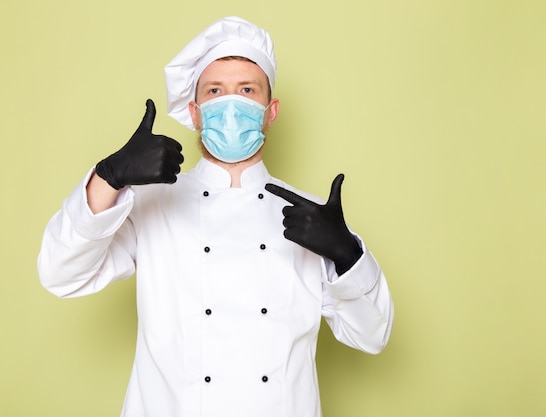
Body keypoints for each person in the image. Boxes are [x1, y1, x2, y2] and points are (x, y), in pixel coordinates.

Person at [38, 16, 394, 417]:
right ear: (195, 111)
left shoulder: (311, 219)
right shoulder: (153, 205)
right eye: (215, 90)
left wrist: (347, 255)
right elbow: (59, 272)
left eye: (247, 90)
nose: (231, 104)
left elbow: (373, 335)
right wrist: (110, 174)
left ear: (270, 110)